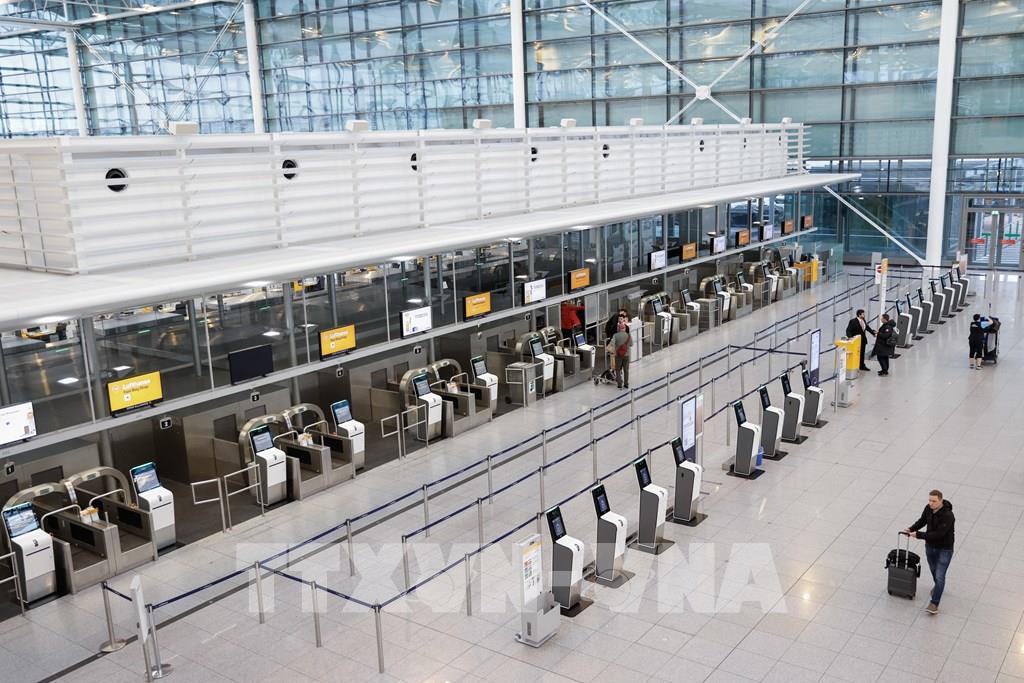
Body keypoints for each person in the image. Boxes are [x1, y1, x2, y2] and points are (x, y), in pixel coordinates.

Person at [903, 490, 955, 614]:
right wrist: (911, 529)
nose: (931, 503)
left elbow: (939, 534)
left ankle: (934, 603)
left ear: (941, 501)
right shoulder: (928, 508)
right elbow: (922, 521)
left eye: (934, 501)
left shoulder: (948, 516)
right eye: (929, 500)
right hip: (930, 546)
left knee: (940, 575)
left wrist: (918, 535)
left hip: (944, 549)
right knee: (933, 570)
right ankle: (938, 588)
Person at [611, 320, 631, 389]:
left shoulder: (615, 335)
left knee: (618, 369)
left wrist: (615, 349)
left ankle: (619, 384)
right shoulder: (628, 335)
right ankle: (626, 384)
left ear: (618, 329)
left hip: (618, 355)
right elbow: (631, 344)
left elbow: (612, 344)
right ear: (624, 328)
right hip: (626, 355)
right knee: (626, 370)